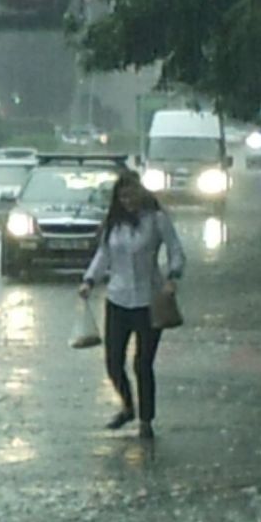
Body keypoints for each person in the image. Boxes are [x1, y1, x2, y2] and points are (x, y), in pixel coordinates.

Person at [78, 169, 186, 439]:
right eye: (123, 197)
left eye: (131, 195)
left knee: (143, 363)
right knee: (113, 361)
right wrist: (89, 280)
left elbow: (176, 250)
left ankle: (146, 420)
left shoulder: (157, 219)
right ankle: (128, 406)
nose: (128, 201)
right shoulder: (114, 223)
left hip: (150, 301)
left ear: (141, 192)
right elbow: (103, 255)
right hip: (118, 299)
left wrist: (172, 277)